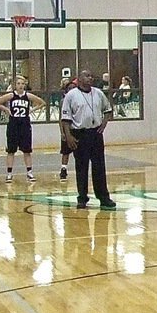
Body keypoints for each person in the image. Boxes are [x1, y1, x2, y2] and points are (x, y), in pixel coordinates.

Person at [59, 69, 116, 209]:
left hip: (95, 134)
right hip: (79, 134)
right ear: (79, 78)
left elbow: (108, 110)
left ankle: (103, 197)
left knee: (99, 167)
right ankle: (82, 198)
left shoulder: (98, 93)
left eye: (91, 76)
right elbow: (65, 119)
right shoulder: (71, 96)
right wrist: (68, 137)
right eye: (87, 76)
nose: (90, 78)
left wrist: (104, 124)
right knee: (81, 168)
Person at [0, 76, 46, 182]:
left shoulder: (28, 95)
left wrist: (31, 110)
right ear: (15, 85)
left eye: (22, 84)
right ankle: (9, 173)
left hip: (25, 124)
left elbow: (42, 102)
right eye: (19, 84)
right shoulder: (11, 95)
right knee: (11, 151)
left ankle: (29, 172)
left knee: (27, 150)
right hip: (13, 124)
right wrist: (6, 109)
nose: (21, 86)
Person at [57, 77, 76, 180]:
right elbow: (61, 119)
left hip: (78, 128)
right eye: (70, 88)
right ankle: (63, 169)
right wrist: (62, 132)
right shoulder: (63, 101)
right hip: (67, 128)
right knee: (65, 151)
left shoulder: (80, 99)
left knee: (80, 151)